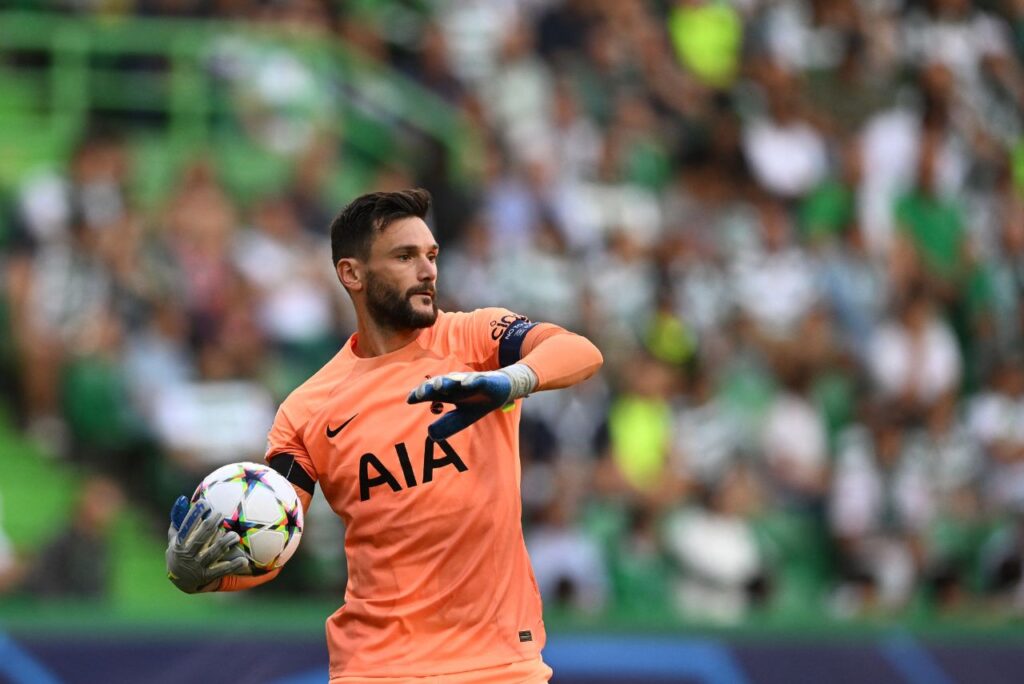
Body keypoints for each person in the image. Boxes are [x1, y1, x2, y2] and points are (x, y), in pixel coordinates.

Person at [164, 189, 603, 683]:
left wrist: (511, 380)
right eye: (405, 256)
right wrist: (204, 575)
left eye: (431, 255)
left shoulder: (476, 339)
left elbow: (578, 351)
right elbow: (273, 542)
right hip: (377, 667)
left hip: (499, 662)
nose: (428, 270)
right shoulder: (308, 410)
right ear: (351, 273)